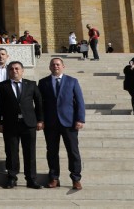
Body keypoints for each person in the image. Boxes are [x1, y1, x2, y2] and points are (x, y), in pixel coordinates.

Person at [38, 58, 85, 190]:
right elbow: (40, 104)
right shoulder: (43, 82)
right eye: (53, 64)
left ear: (63, 66)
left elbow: (80, 102)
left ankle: (76, 178)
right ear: (49, 67)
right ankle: (54, 177)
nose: (55, 66)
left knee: (73, 151)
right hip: (50, 123)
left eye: (58, 64)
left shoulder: (72, 81)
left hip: (69, 123)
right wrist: (40, 120)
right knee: (52, 151)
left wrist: (80, 119)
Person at [0, 61, 43, 189]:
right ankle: (12, 177)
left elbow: (39, 103)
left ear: (22, 71)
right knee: (11, 152)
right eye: (11, 69)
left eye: (17, 69)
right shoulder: (2, 86)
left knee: (30, 152)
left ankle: (31, 179)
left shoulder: (31, 84)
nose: (14, 71)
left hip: (28, 124)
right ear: (8, 71)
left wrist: (40, 120)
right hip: (10, 124)